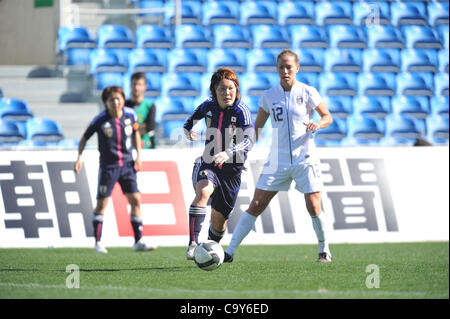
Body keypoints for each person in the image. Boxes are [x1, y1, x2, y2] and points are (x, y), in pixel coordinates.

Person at [224, 49, 334, 263]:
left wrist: (318, 124)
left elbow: (327, 116)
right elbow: (257, 128)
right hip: (278, 160)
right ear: (276, 69)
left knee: (313, 205)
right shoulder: (269, 96)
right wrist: (242, 153)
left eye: (289, 67)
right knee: (256, 203)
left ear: (297, 68)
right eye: (281, 67)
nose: (285, 71)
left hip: (305, 158)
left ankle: (324, 249)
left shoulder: (308, 91)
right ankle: (229, 252)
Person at [183, 67, 254, 260]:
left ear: (236, 89)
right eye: (222, 88)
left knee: (219, 223)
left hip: (232, 172)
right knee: (204, 191)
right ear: (214, 91)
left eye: (231, 88)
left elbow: (249, 139)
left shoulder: (242, 111)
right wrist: (187, 130)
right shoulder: (208, 105)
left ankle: (208, 248)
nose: (227, 92)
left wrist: (229, 152)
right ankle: (193, 244)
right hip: (209, 163)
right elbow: (191, 119)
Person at [74, 86, 155, 253]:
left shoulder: (130, 115)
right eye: (112, 100)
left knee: (136, 200)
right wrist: (79, 157)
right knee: (102, 204)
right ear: (106, 102)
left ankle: (138, 241)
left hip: (127, 165)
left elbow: (136, 133)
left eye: (118, 98)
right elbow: (84, 138)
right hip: (108, 167)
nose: (116, 102)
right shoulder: (100, 120)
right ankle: (97, 242)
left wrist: (138, 156)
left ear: (123, 100)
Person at [125, 72, 157, 149]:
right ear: (130, 85)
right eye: (134, 84)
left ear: (145, 87)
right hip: (127, 149)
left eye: (139, 84)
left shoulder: (150, 106)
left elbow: (150, 127)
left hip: (145, 147)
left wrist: (129, 128)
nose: (136, 87)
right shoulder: (124, 106)